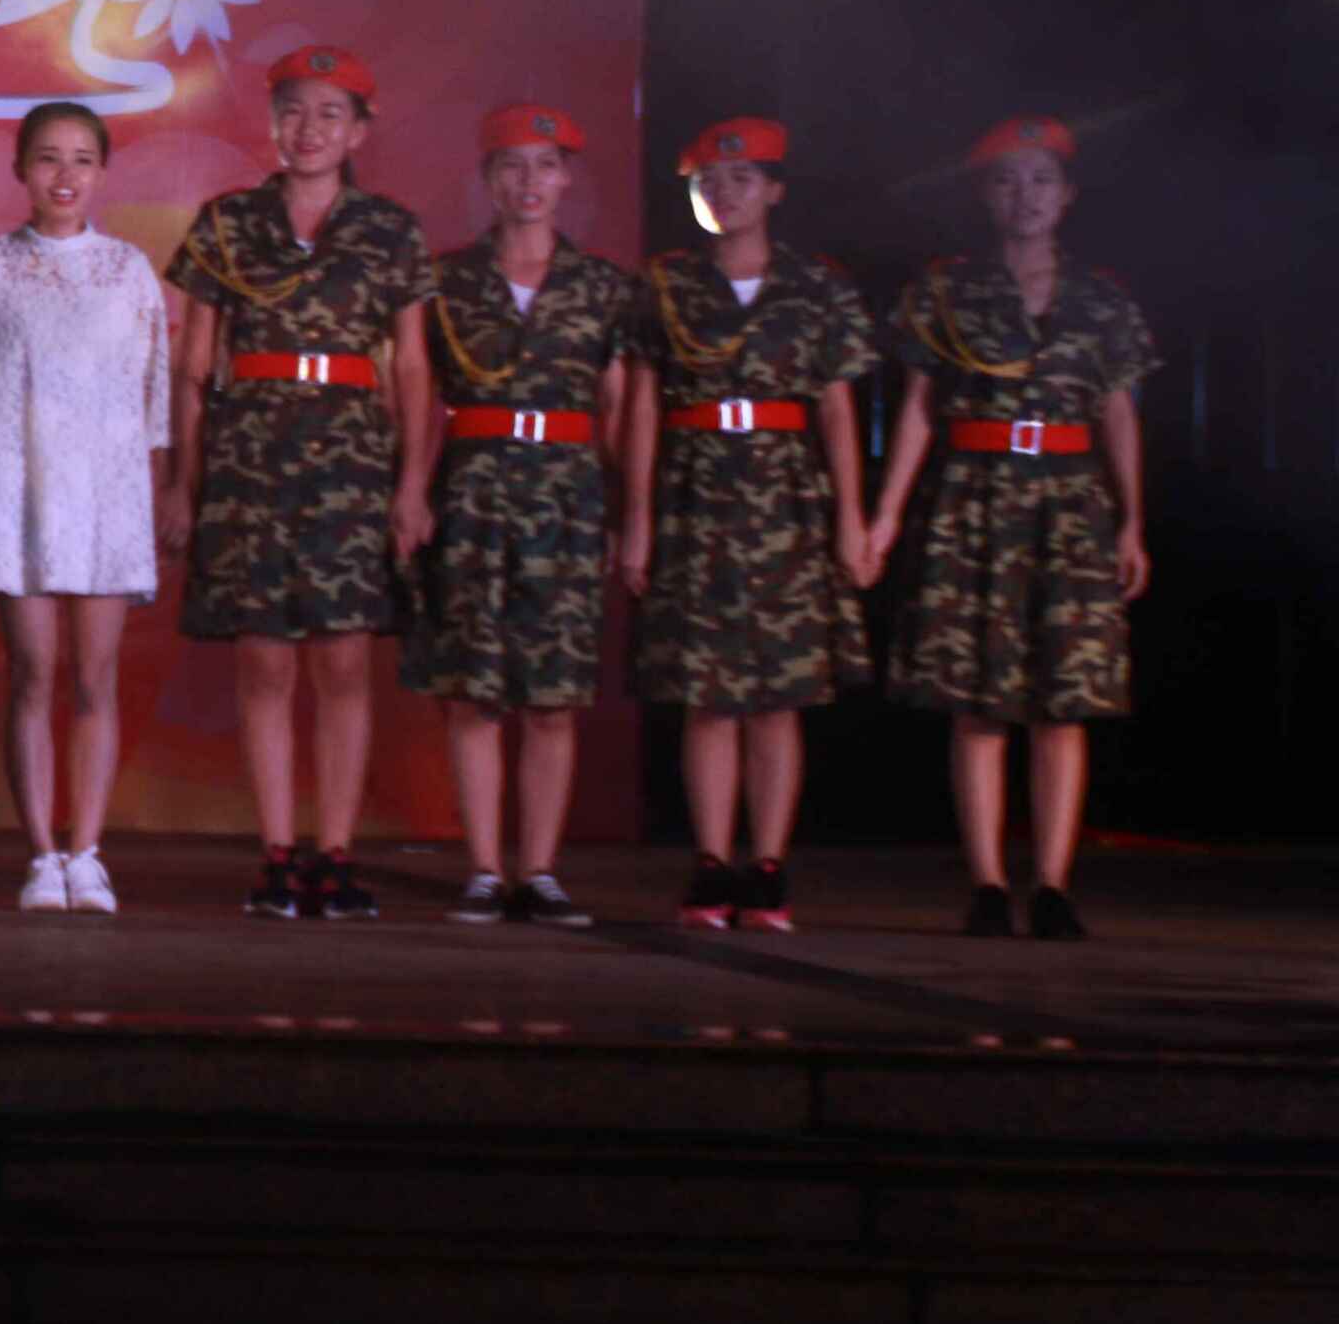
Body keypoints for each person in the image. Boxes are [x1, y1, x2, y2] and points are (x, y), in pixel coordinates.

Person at [866, 116, 1156, 940]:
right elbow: (919, 409)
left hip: (1069, 502)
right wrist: (887, 514)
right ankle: (989, 882)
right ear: (984, 196)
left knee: (1063, 702)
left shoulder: (1101, 299)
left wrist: (1132, 522)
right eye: (1006, 180)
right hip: (975, 496)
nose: (1024, 196)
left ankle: (1054, 884)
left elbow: (1118, 413)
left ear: (1067, 195)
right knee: (977, 701)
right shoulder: (947, 291)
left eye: (1040, 180)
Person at [165, 43, 435, 922]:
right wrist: (182, 483)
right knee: (265, 662)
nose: (308, 128)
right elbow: (192, 368)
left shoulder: (390, 229)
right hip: (249, 460)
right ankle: (279, 853)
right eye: (293, 110)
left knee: (346, 662)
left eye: (329, 113)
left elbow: (413, 371)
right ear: (273, 122)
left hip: (352, 464)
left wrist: (412, 485)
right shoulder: (227, 222)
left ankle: (337, 853)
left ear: (359, 129)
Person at [617, 115, 879, 933]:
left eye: (741, 180)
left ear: (774, 190)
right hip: (695, 491)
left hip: (786, 496)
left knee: (777, 694)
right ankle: (710, 859)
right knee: (707, 695)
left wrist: (852, 518)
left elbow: (836, 410)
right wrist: (638, 517)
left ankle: (766, 864)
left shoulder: (817, 285)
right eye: (708, 183)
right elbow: (641, 406)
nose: (724, 194)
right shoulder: (665, 284)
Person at [403, 104, 641, 929]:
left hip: (567, 498)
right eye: (512, 165)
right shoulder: (446, 279)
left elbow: (621, 410)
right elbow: (421, 397)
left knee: (552, 696)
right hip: (470, 491)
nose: (529, 181)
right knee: (472, 691)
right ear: (488, 179)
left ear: (567, 178)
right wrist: (412, 492)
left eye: (545, 164)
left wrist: (627, 513)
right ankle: (482, 869)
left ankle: (538, 871)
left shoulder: (603, 286)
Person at [0, 100, 172, 916]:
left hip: (108, 494)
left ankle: (89, 852)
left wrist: (152, 489)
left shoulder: (129, 269)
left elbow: (154, 391)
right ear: (21, 168)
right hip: (16, 490)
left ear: (102, 172)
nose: (65, 174)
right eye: (48, 157)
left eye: (82, 158)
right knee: (35, 669)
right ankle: (42, 852)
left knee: (96, 674)